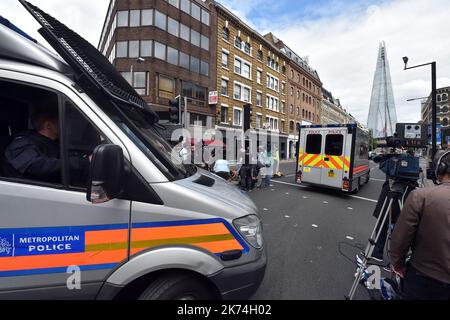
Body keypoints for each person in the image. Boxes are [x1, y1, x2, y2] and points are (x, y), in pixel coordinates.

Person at [389, 150, 450, 300]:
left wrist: (397, 263)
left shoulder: (421, 196)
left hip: (423, 278)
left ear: (440, 169)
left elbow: (401, 237)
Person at [3, 105, 90, 184]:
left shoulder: (55, 141)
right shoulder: (21, 144)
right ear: (48, 125)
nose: (66, 126)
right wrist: (84, 162)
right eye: (61, 122)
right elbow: (38, 167)